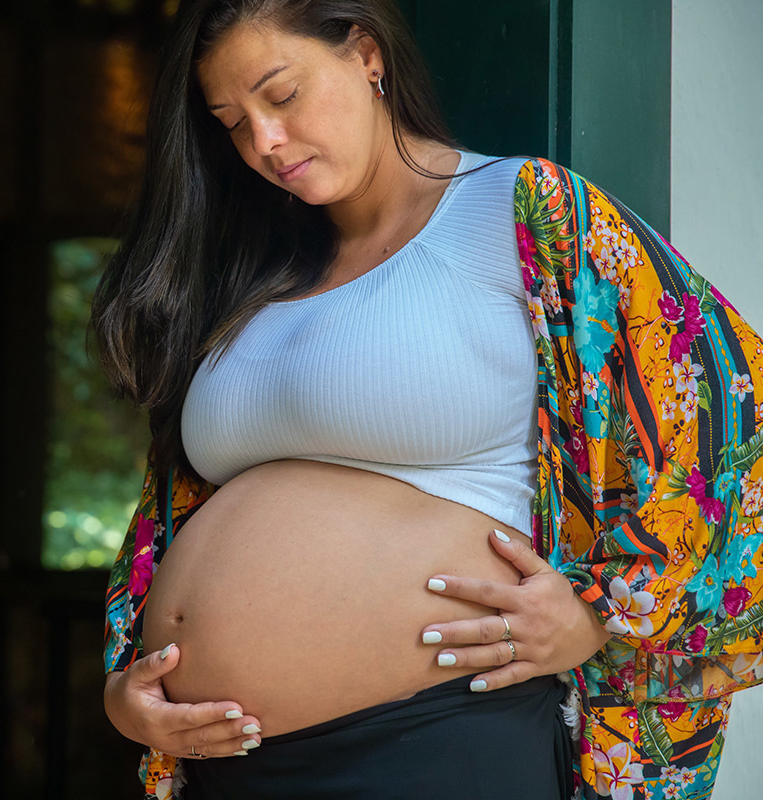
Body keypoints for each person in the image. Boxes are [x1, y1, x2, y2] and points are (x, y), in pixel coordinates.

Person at [94, 1, 763, 798]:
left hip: (443, 737)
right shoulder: (252, 269)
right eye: (232, 122)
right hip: (232, 766)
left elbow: (727, 425)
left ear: (366, 55)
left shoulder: (525, 209)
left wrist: (595, 618)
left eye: (282, 96)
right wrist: (127, 689)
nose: (263, 143)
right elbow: (175, 515)